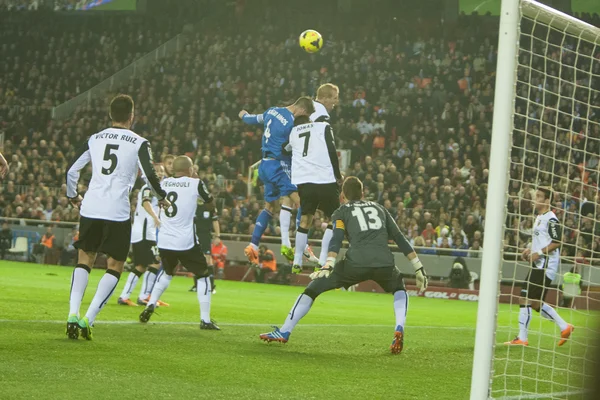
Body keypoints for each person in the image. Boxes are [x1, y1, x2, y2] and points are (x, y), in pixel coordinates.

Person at [259, 177, 429, 354]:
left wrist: (329, 262)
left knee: (313, 289)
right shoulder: (380, 208)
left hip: (355, 263)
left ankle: (285, 330)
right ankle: (399, 327)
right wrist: (418, 266)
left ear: (342, 196)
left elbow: (337, 238)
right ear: (362, 194)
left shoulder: (341, 211)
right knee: (399, 287)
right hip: (384, 263)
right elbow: (400, 238)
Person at [65, 94, 168, 340]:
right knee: (115, 265)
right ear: (132, 116)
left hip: (90, 206)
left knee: (84, 259)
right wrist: (161, 196)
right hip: (117, 211)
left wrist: (73, 196)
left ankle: (71, 314)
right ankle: (87, 319)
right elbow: (151, 175)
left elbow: (72, 170)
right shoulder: (139, 142)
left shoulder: (95, 138)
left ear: (110, 114)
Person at [138, 156, 219, 330]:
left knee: (167, 272)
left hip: (165, 239)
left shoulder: (163, 184)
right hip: (185, 241)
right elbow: (210, 203)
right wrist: (197, 182)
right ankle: (205, 320)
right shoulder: (194, 183)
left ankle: (150, 303)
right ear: (190, 169)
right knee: (203, 275)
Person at [238, 96, 315, 263]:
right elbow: (288, 147)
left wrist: (243, 115)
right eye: (305, 115)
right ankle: (302, 244)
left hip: (264, 165)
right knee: (303, 202)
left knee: (269, 207)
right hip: (279, 166)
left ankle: (253, 245)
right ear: (302, 110)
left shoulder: (272, 111)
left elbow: (252, 119)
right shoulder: (291, 124)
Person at [505, 187, 574, 346]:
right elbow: (542, 241)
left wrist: (539, 254)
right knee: (535, 303)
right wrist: (530, 251)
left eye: (539, 196)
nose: (535, 199)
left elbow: (557, 242)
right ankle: (565, 327)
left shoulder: (551, 219)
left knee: (525, 297)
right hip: (538, 264)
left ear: (547, 200)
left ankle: (522, 338)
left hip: (545, 266)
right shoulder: (539, 217)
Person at [285, 115, 342, 273]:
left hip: (305, 181)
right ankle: (323, 258)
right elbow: (332, 150)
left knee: (305, 219)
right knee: (334, 219)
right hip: (325, 179)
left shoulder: (293, 132)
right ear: (309, 121)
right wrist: (338, 175)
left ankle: (297, 260)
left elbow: (285, 148)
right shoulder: (322, 126)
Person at [117, 164, 168, 307]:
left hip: (146, 232)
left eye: (162, 172)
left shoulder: (157, 190)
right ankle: (141, 296)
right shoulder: (147, 188)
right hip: (144, 233)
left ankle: (135, 296)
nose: (160, 174)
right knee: (151, 263)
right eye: (157, 171)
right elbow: (146, 203)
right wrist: (155, 217)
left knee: (145, 264)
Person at [190, 201, 220, 293]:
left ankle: (211, 286)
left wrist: (217, 235)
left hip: (205, 235)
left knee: (207, 260)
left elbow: (215, 221)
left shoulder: (209, 206)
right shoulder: (191, 205)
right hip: (193, 235)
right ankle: (196, 285)